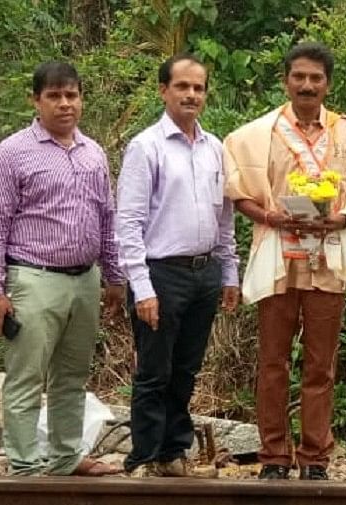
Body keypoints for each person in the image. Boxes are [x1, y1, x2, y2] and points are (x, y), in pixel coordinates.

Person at [223, 42, 346, 480]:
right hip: (278, 257)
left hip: (326, 260)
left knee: (320, 364)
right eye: (299, 77)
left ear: (328, 83)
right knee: (272, 361)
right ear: (285, 81)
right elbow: (238, 191)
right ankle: (273, 454)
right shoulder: (258, 134)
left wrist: (341, 217)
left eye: (316, 78)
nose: (307, 85)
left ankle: (314, 457)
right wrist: (269, 215)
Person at [0, 61, 124, 477]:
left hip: (85, 279)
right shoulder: (13, 153)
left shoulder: (93, 153)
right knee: (26, 377)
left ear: (81, 99)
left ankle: (65, 458)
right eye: (54, 96)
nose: (65, 104)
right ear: (35, 101)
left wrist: (114, 276)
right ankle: (24, 466)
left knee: (72, 377)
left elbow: (107, 219)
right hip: (33, 278)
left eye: (72, 95)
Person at [115, 54, 240, 478]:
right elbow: (128, 223)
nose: (191, 95)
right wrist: (142, 287)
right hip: (161, 273)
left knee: (186, 369)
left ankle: (173, 452)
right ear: (163, 91)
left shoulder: (216, 148)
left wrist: (229, 273)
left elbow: (225, 218)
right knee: (154, 371)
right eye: (182, 87)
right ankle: (145, 456)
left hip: (204, 274)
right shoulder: (145, 147)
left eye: (198, 88)